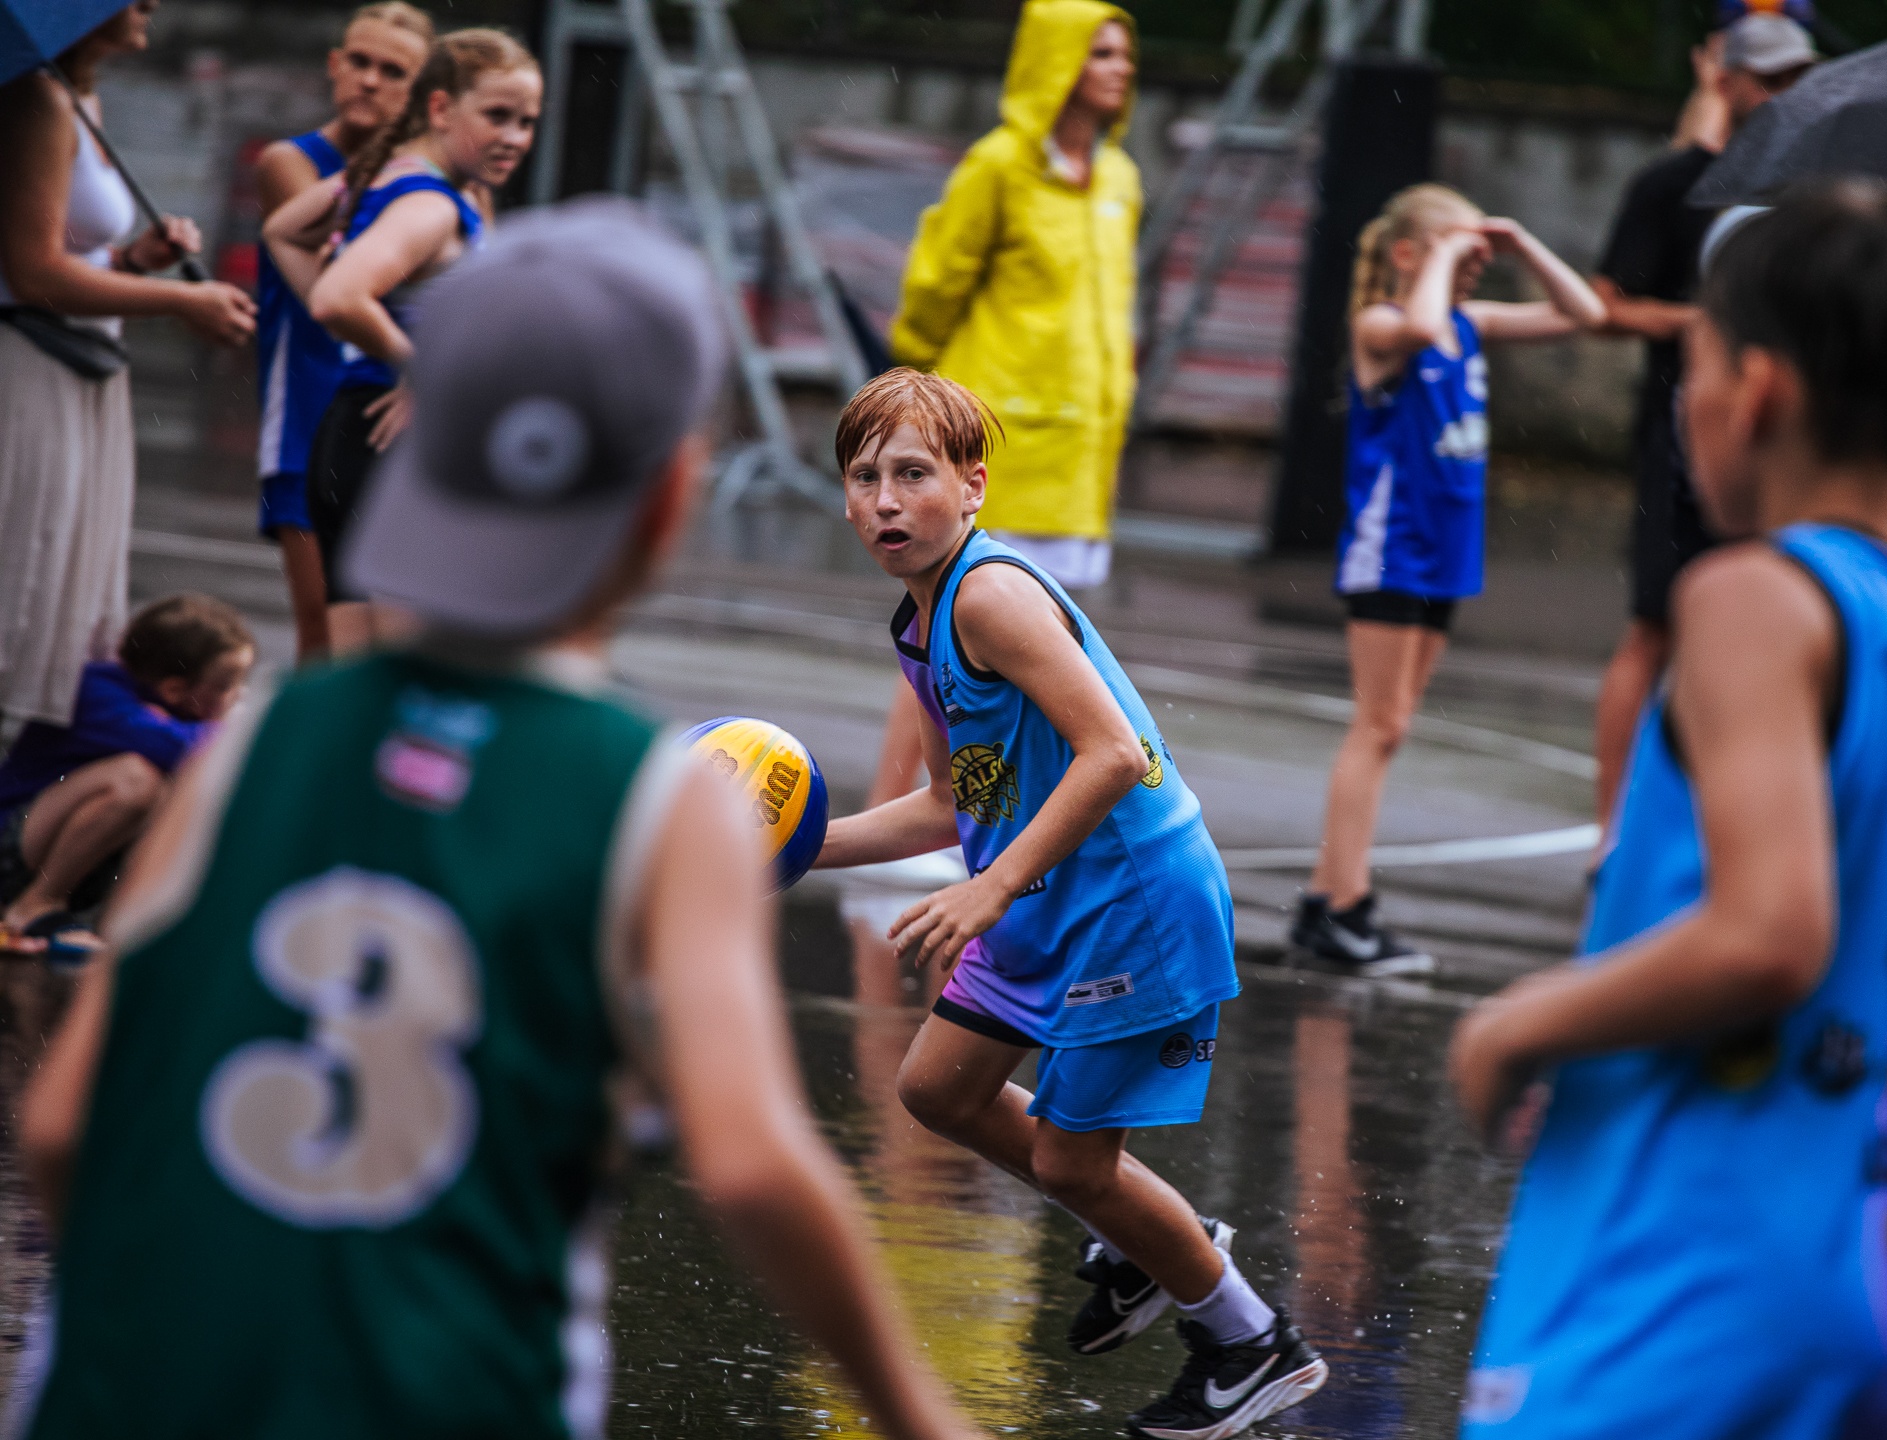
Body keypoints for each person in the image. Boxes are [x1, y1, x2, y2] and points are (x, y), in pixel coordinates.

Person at [11, 199, 981, 1440]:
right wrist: (918, 1415)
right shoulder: (655, 799)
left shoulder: (254, 741)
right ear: (670, 494)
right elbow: (749, 1165)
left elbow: (65, 1125)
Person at [1450, 185, 1887, 1438]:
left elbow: (1770, 932)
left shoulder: (1754, 597)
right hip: (1885, 1276)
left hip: (1694, 1266)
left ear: (1753, 390)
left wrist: (1519, 1023)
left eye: (1692, 366)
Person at [814, 369, 1328, 1440]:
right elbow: (955, 799)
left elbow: (1115, 753)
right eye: (864, 479)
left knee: (1069, 1162)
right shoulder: (922, 623)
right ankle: (1149, 1241)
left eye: (913, 474)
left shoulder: (991, 597)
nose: (886, 501)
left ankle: (1249, 1341)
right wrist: (789, 848)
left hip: (1128, 907)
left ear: (973, 487)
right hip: (1048, 901)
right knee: (940, 1089)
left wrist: (991, 885)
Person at [1290, 186, 1605, 977]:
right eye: (1460, 254)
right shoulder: (1383, 325)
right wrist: (1443, 256)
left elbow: (1586, 314)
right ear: (1409, 255)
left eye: (1477, 257)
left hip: (1446, 548)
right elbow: (1420, 325)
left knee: (1392, 726)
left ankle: (1327, 900)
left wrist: (1522, 243)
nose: (1474, 268)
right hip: (1392, 547)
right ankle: (1344, 906)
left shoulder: (1469, 321)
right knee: (1379, 724)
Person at [863, 1, 1139, 828]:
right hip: (997, 442)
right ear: (1058, 60)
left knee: (1030, 647)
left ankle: (994, 821)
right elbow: (933, 287)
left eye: (1124, 53)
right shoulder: (1000, 166)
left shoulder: (1120, 179)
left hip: (1079, 453)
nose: (1121, 68)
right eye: (1101, 53)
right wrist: (924, 400)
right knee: (946, 632)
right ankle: (900, 813)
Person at [1587, 8, 1816, 825]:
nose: (1784, 93)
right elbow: (1605, 305)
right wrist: (1704, 324)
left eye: (1796, 77)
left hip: (1778, 445)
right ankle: (1611, 835)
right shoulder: (1673, 183)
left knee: (1757, 631)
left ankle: (1719, 820)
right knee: (1655, 627)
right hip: (1679, 438)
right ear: (1726, 82)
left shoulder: (1807, 195)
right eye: (1769, 78)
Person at [0, 0, 256, 731]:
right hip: (32, 366)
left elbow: (71, 253)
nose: (152, 4)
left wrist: (134, 261)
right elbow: (33, 273)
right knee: (23, 569)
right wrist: (178, 301)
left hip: (83, 364)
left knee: (51, 575)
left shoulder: (81, 99)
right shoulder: (37, 101)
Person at [263, 27, 539, 656]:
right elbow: (340, 297)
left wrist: (354, 328)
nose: (515, 137)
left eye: (527, 122)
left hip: (352, 436)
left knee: (352, 675)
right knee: (400, 672)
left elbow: (283, 233)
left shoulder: (386, 174)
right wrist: (420, 364)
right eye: (497, 116)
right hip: (388, 444)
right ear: (440, 108)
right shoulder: (429, 208)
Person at [252, 3, 432, 661]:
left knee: (394, 637)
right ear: (334, 64)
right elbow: (340, 275)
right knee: (326, 639)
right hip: (306, 413)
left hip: (391, 413)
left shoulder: (440, 183)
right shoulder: (292, 165)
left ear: (423, 93)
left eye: (394, 71)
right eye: (359, 61)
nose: (370, 80)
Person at [0, 595, 253, 961]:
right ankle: (36, 905)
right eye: (226, 685)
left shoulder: (177, 712)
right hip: (12, 842)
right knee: (136, 780)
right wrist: (237, 729)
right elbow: (182, 748)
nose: (236, 696)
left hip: (67, 866)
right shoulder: (96, 691)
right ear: (174, 689)